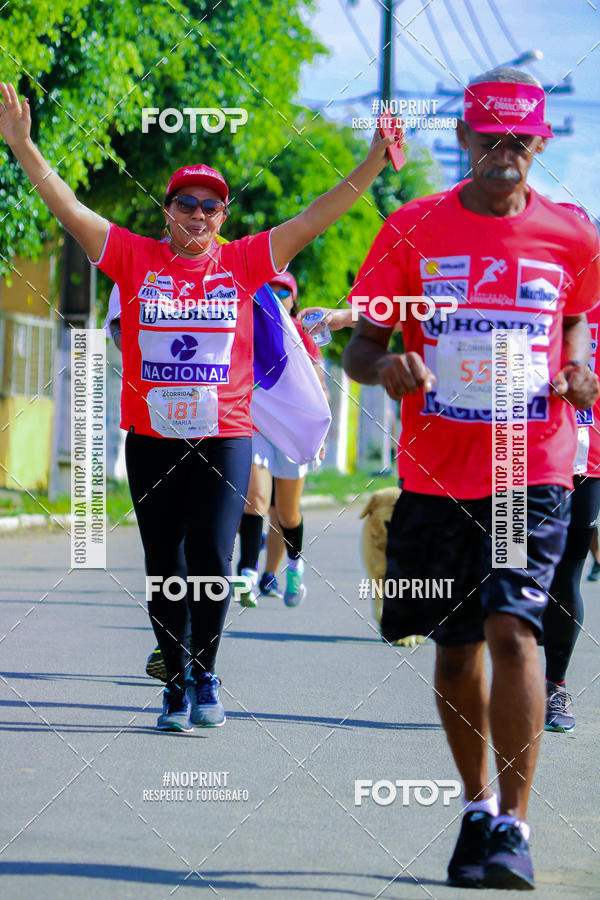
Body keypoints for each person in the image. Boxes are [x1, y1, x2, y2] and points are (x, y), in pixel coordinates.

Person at [0, 80, 396, 732]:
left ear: (224, 217)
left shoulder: (244, 263)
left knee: (212, 559)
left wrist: (374, 162)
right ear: (168, 210)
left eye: (212, 208)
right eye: (187, 203)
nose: (200, 216)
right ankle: (174, 681)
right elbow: (68, 207)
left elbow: (316, 215)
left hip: (224, 439)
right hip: (152, 439)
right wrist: (23, 146)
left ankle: (206, 671)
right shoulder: (133, 256)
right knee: (166, 567)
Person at [343, 69, 600, 890]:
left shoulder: (573, 237)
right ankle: (477, 807)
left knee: (512, 630)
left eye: (520, 139)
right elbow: (358, 346)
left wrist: (577, 373)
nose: (505, 153)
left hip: (532, 463)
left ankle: (516, 827)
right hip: (437, 472)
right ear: (461, 140)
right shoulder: (411, 229)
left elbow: (574, 331)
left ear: (540, 144)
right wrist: (387, 364)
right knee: (455, 654)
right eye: (489, 138)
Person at [237, 271, 326, 608]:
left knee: (287, 514)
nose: (277, 295)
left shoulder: (303, 335)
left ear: (294, 299)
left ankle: (294, 566)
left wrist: (318, 435)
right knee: (256, 500)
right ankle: (246, 572)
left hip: (292, 430)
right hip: (257, 426)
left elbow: (317, 391)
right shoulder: (247, 324)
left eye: (284, 291)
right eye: (270, 289)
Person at [543, 270, 600, 732]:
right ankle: (507, 677)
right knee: (510, 564)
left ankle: (553, 687)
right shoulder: (534, 303)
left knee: (567, 573)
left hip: (588, 462)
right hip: (519, 456)